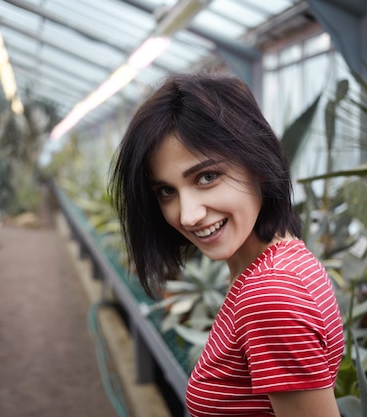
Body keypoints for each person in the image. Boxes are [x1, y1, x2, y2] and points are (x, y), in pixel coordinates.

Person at [108, 72, 344, 417]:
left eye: (207, 176)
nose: (188, 216)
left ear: (259, 165)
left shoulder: (270, 296)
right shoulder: (282, 262)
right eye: (166, 191)